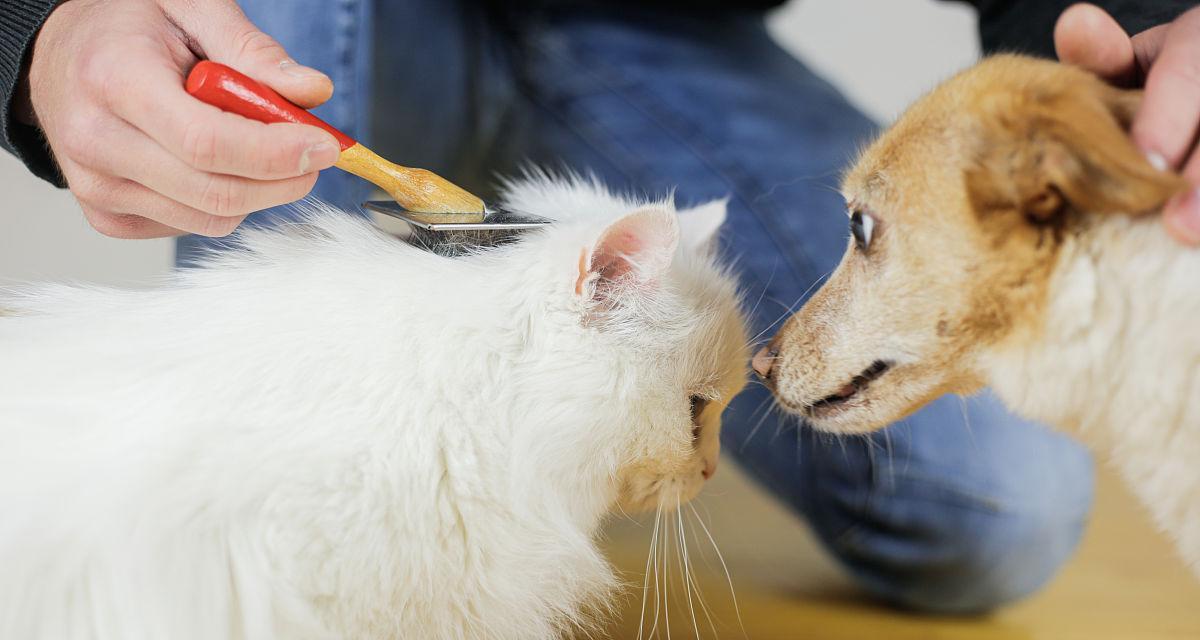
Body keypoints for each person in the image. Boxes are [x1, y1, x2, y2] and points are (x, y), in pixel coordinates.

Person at [1, 0, 1196, 614]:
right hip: (329, 15)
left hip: (649, 32)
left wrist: (1137, 47)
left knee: (997, 506)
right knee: (272, 511)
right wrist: (37, 25)